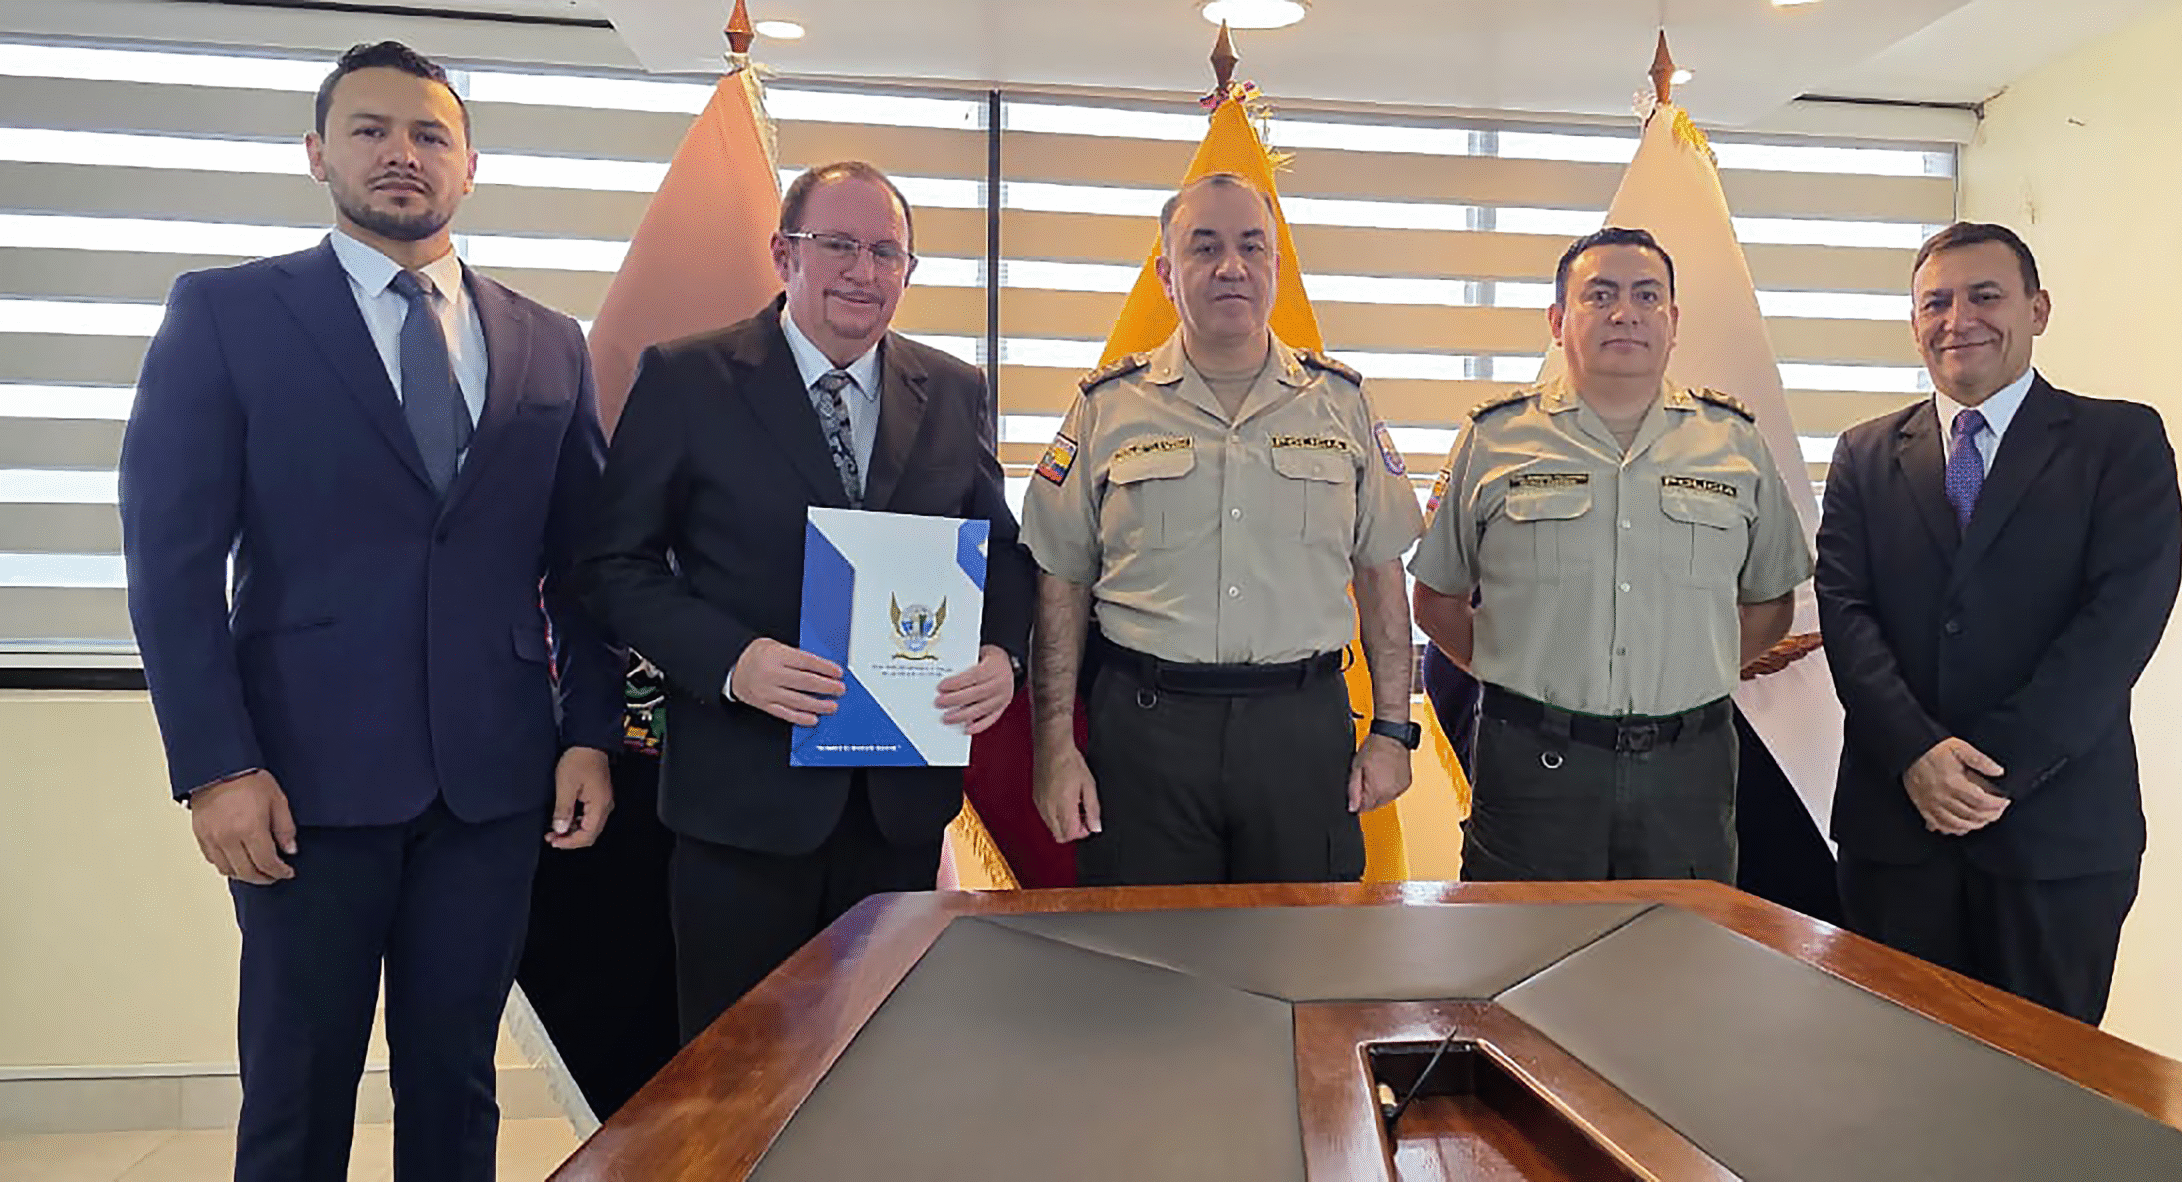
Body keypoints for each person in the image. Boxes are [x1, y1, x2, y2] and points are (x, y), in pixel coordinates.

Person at [118, 42, 619, 1180]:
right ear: (318, 154)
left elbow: (582, 566)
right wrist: (216, 766)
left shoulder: (549, 341)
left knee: (457, 1083)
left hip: (493, 786)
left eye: (430, 134)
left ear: (469, 166)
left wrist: (588, 731)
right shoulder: (228, 314)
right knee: (298, 1092)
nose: (403, 153)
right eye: (371, 130)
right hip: (301, 784)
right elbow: (170, 564)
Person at [577, 161, 1031, 1041]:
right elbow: (612, 564)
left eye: (886, 252)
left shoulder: (955, 390)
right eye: (838, 245)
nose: (864, 271)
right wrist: (731, 662)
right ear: (784, 254)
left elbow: (1002, 555)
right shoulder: (687, 379)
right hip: (743, 805)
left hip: (897, 813)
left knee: (884, 1063)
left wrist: (1002, 655)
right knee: (737, 1074)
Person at [1814, 221, 2182, 1024]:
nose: (1959, 320)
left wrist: (1991, 773)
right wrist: (1916, 754)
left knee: (2045, 1079)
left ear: (2037, 309)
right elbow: (1845, 615)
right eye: (1936, 303)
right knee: (1895, 1071)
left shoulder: (2119, 442)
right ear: (1914, 322)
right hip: (1895, 833)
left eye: (1985, 296)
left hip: (2056, 837)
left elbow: (2119, 623)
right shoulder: (1864, 455)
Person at [1020, 172, 1424, 885]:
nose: (1231, 266)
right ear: (1166, 274)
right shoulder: (1107, 408)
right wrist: (1054, 745)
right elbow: (1062, 584)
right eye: (1204, 248)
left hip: (1300, 733)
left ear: (1276, 267)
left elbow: (1381, 575)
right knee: (1147, 948)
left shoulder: (1342, 406)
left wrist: (1393, 730)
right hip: (1146, 735)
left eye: (1250, 246)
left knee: (1304, 947)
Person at [1409, 226, 1809, 883]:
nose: (1625, 312)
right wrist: (1522, 671)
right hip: (1533, 766)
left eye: (1646, 295)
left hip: (1688, 767)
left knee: (1678, 940)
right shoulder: (1494, 439)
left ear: (1673, 321)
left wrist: (1693, 667)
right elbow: (1436, 601)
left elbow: (1771, 603)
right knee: (1524, 941)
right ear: (1557, 320)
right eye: (1600, 295)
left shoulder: (1735, 443)